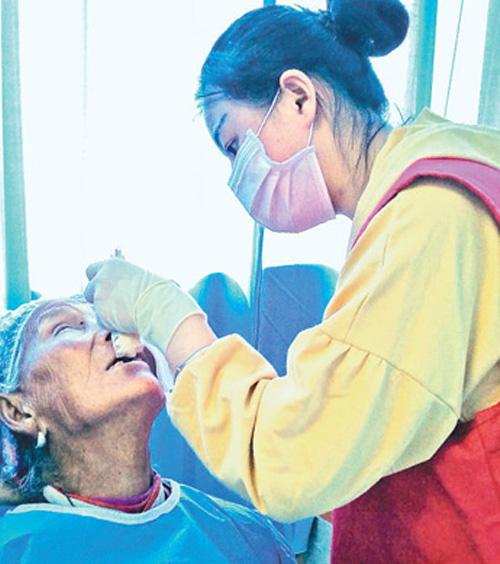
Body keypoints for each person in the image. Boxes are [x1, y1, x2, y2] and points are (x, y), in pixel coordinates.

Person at [82, 0, 500, 562]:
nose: (239, 178)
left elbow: (297, 455)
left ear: (299, 96)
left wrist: (169, 317)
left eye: (235, 146)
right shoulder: (446, 167)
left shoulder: (432, 216)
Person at [0, 297, 295, 563]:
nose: (114, 332)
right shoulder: (0, 555)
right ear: (19, 411)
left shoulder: (250, 537)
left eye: (109, 319)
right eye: (65, 327)